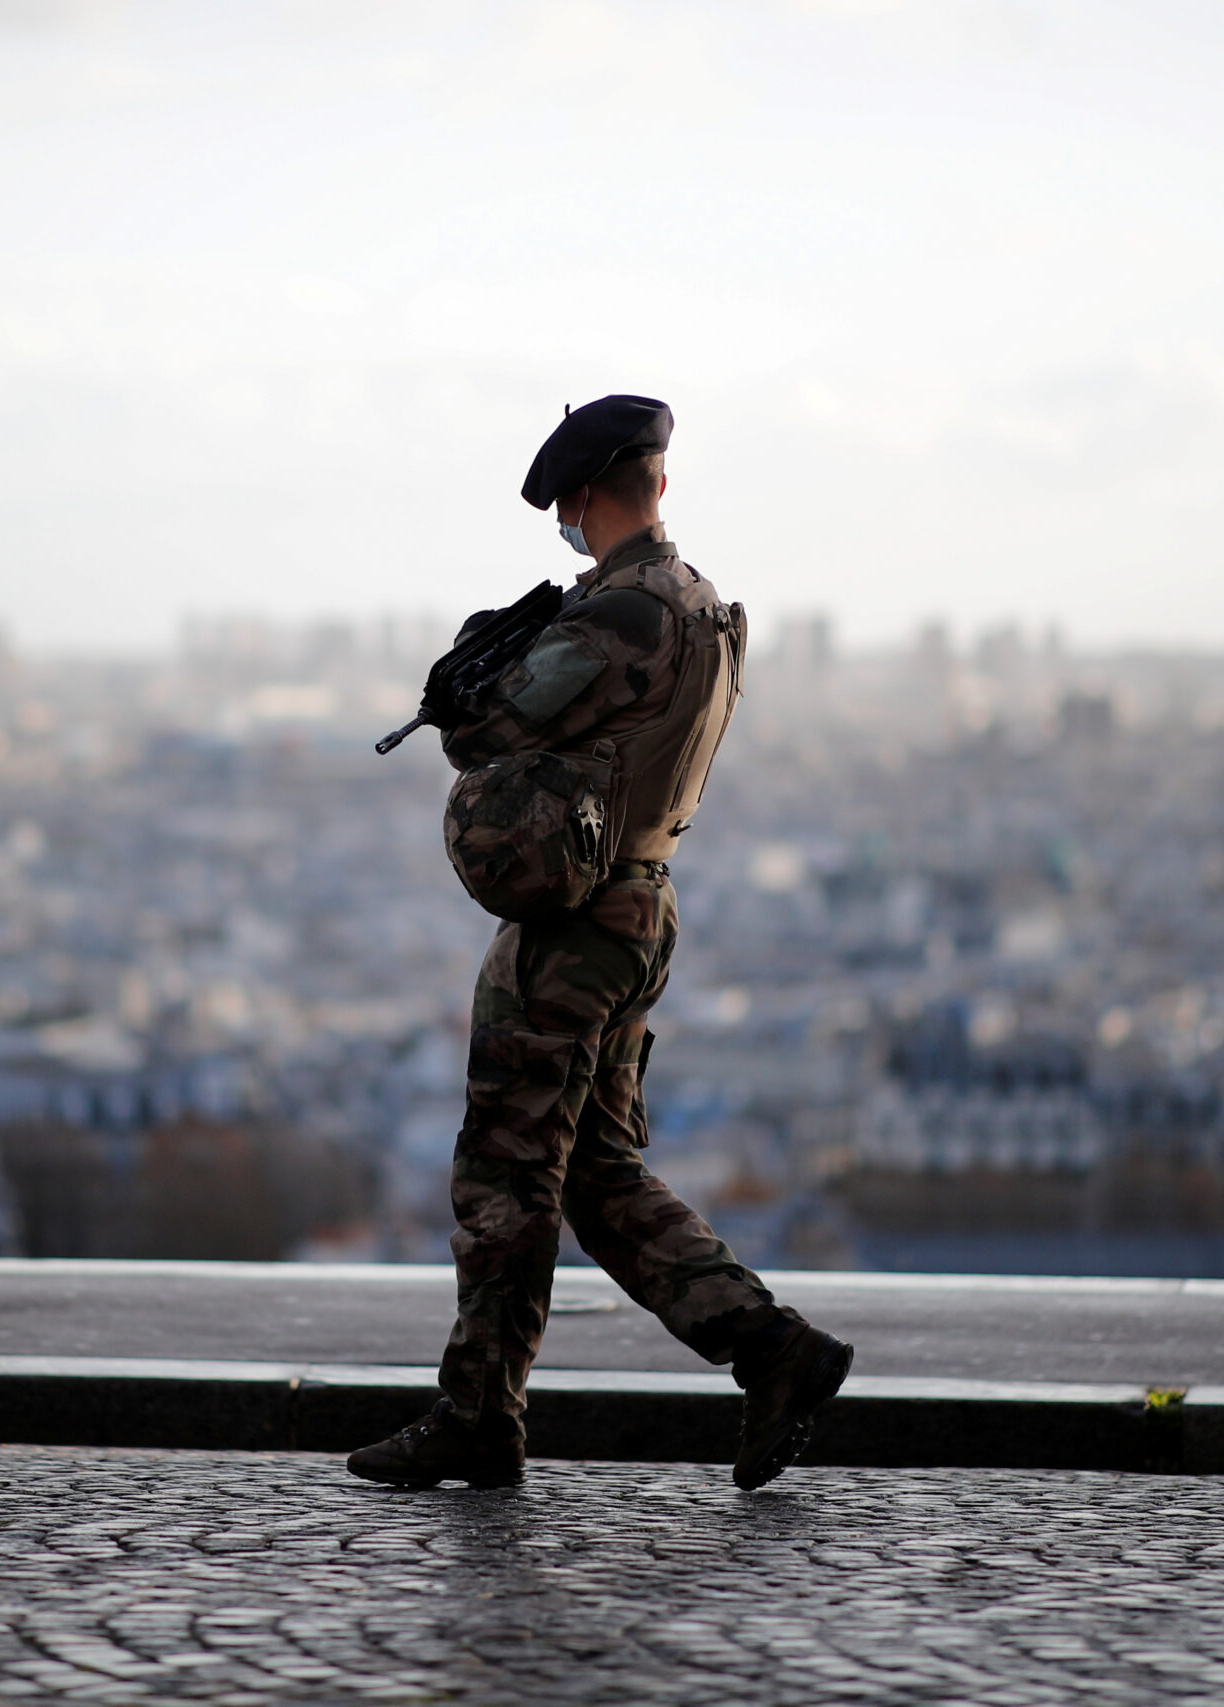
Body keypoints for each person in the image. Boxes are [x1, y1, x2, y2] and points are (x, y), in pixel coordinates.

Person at [348, 395, 854, 1493]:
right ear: (659, 482)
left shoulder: (622, 616)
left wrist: (463, 685)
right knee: (593, 1168)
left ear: (583, 500)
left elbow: (489, 731)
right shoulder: (708, 611)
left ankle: (478, 1414)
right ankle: (771, 1350)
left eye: (567, 513)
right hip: (640, 905)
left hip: (572, 927)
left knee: (505, 1170)